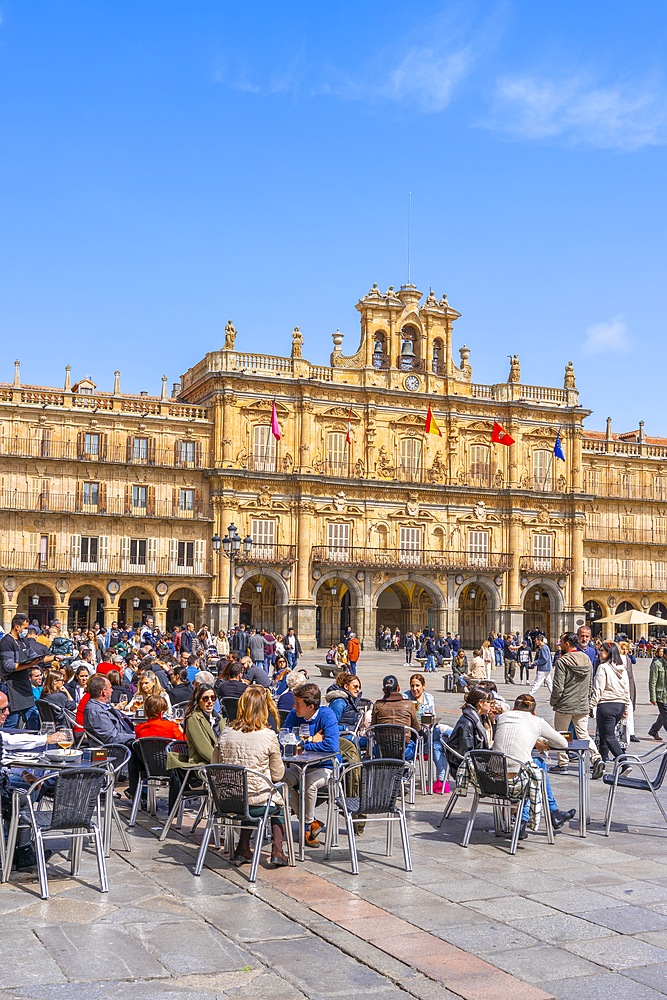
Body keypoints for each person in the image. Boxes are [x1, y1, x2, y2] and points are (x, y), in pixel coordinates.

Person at [213, 685, 289, 866]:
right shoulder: (268, 735)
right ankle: (277, 849)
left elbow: (214, 764)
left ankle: (243, 847)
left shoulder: (226, 732)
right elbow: (278, 774)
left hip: (227, 801)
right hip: (255, 803)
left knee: (254, 794)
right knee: (281, 795)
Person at [492, 693, 576, 837]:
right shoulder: (536, 721)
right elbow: (563, 743)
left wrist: (534, 739)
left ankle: (529, 821)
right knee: (538, 767)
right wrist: (540, 739)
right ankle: (551, 812)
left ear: (514, 708)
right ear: (534, 712)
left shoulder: (502, 718)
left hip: (493, 780)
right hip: (517, 782)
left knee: (532, 770)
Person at [283, 682, 341, 847]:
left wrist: (304, 743)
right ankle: (311, 822)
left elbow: (332, 746)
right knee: (281, 781)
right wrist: (311, 740)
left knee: (309, 782)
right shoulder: (294, 715)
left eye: (298, 704)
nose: (294, 707)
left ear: (311, 706)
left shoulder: (327, 715)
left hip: (326, 766)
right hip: (299, 765)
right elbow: (284, 738)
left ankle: (307, 827)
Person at [550, 632, 604, 778]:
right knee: (583, 734)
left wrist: (554, 701)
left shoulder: (562, 662)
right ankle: (596, 758)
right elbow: (590, 683)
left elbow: (558, 687)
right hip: (582, 705)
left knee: (562, 734)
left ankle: (563, 763)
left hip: (565, 705)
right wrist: (587, 701)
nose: (559, 644)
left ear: (567, 644)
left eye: (561, 642)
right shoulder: (586, 659)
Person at [0, 613, 58, 729]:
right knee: (12, 719)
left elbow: (37, 658)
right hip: (10, 684)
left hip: (24, 684)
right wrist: (29, 665)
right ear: (17, 627)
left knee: (32, 717)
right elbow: (8, 665)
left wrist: (55, 657)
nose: (26, 631)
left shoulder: (24, 642)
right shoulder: (7, 642)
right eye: (25, 628)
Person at [591, 642, 631, 773]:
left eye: (602, 651)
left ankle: (625, 764)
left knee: (608, 737)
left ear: (609, 653)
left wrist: (591, 706)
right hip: (619, 706)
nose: (599, 653)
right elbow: (626, 690)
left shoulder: (603, 668)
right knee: (604, 736)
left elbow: (598, 689)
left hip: (606, 705)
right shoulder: (622, 668)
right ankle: (601, 764)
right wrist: (625, 707)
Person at [445, 687, 492, 777]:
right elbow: (467, 751)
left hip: (475, 760)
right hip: (466, 765)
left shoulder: (478, 717)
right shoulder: (468, 722)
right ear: (481, 703)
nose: (491, 705)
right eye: (489, 702)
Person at [370, 675, 420, 760]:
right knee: (416, 744)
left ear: (383, 690)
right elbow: (417, 728)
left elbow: (373, 727)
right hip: (404, 751)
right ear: (399, 688)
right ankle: (402, 772)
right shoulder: (408, 704)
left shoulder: (378, 705)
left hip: (382, 751)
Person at [183, 684, 220, 765]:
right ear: (198, 700)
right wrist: (222, 764)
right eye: (205, 699)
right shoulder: (193, 719)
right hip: (203, 765)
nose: (210, 701)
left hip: (222, 762)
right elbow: (203, 749)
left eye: (213, 698)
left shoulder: (219, 718)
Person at [618, 640, 640, 742]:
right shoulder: (617, 660)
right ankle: (624, 733)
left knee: (630, 710)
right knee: (624, 711)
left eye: (626, 649)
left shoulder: (628, 659)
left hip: (629, 687)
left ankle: (631, 733)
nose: (625, 651)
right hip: (621, 688)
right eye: (623, 649)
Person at [649, 647, 667, 741]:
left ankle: (654, 730)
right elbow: (652, 681)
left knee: (663, 715)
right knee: (665, 716)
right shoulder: (657, 664)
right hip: (661, 696)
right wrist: (653, 697)